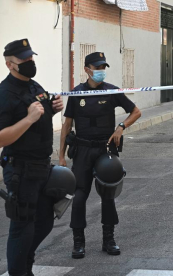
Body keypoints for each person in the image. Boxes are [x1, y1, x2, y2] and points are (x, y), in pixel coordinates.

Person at [59, 52, 141, 259]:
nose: (101, 72)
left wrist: (121, 127)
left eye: (103, 68)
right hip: (83, 151)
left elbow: (136, 112)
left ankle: (109, 239)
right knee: (79, 197)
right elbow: (67, 126)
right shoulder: (77, 94)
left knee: (108, 195)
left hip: (105, 150)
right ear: (87, 69)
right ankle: (78, 242)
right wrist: (60, 156)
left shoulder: (112, 91)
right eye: (97, 68)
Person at [0, 38, 64, 276]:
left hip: (42, 167)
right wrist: (28, 119)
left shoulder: (35, 86)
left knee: (45, 222)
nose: (30, 62)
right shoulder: (4, 94)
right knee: (22, 227)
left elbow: (41, 119)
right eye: (24, 59)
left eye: (31, 57)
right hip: (20, 170)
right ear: (10, 64)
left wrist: (55, 107)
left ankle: (26, 263)